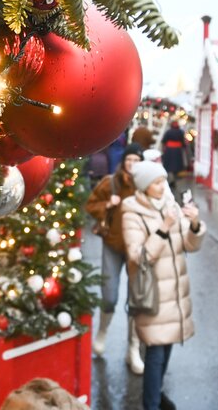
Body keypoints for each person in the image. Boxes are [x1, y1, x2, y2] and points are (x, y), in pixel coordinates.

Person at [122, 161, 205, 410]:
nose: (162, 186)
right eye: (157, 182)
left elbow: (190, 245)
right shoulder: (132, 212)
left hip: (175, 293)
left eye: (163, 181)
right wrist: (165, 227)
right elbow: (139, 256)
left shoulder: (170, 206)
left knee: (166, 347)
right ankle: (151, 404)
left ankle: (156, 395)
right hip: (154, 295)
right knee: (156, 353)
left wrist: (195, 224)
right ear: (145, 185)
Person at [84, 143, 145, 373]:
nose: (132, 164)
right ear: (124, 161)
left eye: (136, 160)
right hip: (112, 244)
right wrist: (107, 204)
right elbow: (90, 204)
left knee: (136, 300)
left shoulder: (146, 185)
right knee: (109, 296)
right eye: (129, 160)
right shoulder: (111, 182)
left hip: (137, 249)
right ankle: (102, 332)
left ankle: (133, 349)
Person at [160, 120, 187, 187]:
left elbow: (164, 141)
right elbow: (183, 142)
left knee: (169, 165)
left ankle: (171, 179)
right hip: (177, 151)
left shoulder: (168, 132)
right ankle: (173, 179)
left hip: (169, 151)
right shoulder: (180, 132)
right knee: (176, 165)